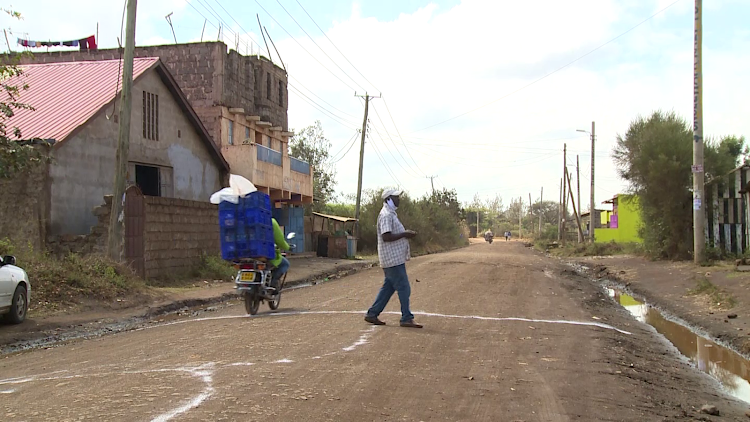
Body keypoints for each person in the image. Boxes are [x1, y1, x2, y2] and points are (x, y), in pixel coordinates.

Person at [364, 189, 422, 328]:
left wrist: (404, 234)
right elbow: (386, 236)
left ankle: (372, 314)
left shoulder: (390, 214)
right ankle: (406, 318)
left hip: (393, 258)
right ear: (388, 199)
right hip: (391, 259)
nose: (399, 199)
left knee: (388, 288)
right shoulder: (385, 215)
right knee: (404, 287)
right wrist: (404, 234)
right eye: (396, 197)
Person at [269, 218, 290, 292]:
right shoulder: (271, 222)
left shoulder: (244, 221)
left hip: (246, 255)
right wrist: (287, 247)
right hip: (266, 255)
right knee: (285, 264)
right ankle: (273, 283)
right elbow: (280, 240)